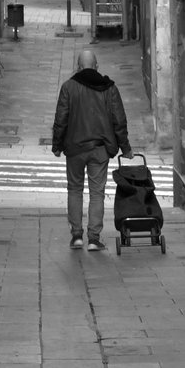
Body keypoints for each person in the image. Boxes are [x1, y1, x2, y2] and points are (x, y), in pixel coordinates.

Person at [51, 48, 132, 252]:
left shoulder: (68, 87)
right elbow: (119, 120)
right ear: (96, 66)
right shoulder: (109, 88)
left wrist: (57, 145)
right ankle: (94, 239)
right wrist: (126, 148)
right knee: (97, 193)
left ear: (78, 67)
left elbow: (61, 119)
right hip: (100, 149)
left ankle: (77, 236)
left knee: (75, 189)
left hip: (75, 148)